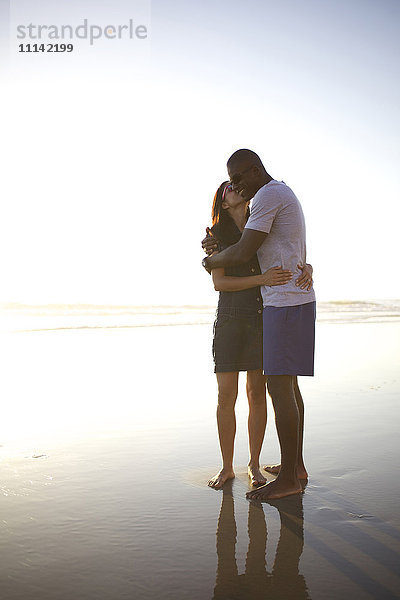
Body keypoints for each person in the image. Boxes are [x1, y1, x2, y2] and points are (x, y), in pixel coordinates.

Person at [203, 149, 316, 500]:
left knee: (279, 390)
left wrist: (209, 259)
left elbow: (242, 253)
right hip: (285, 301)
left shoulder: (267, 196)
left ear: (254, 171)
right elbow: (285, 245)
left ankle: (289, 480)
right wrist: (304, 265)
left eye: (237, 179)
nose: (234, 186)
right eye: (230, 184)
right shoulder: (278, 194)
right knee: (288, 389)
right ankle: (293, 467)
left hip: (283, 303)